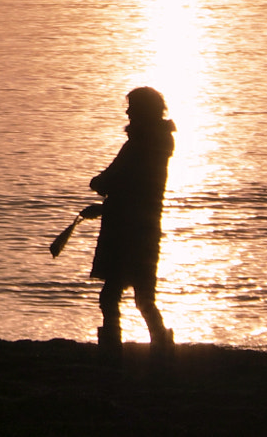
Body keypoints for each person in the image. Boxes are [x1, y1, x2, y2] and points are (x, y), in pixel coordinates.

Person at [85, 86, 176, 360]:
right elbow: (137, 190)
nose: (127, 112)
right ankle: (161, 344)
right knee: (144, 295)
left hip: (125, 231)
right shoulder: (159, 143)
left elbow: (112, 180)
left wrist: (100, 188)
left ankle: (112, 348)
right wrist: (105, 205)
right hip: (146, 227)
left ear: (142, 111)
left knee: (111, 294)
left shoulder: (138, 145)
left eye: (132, 107)